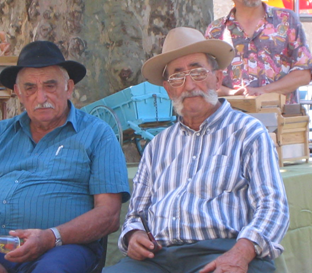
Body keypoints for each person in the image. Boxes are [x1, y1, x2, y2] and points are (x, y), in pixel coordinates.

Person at [103, 27, 289, 273]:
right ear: (169, 90)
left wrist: (241, 253)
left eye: (198, 72)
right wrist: (133, 235)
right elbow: (136, 213)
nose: (189, 85)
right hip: (158, 259)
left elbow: (273, 206)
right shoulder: (157, 146)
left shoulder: (248, 132)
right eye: (177, 77)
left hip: (222, 252)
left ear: (218, 78)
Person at [0, 40, 130, 273]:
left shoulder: (97, 134)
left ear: (69, 87)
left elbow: (109, 215)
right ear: (18, 93)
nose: (41, 96)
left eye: (50, 86)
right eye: (30, 88)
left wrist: (50, 237)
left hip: (60, 248)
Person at [205, 0, 312, 104]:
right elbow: (205, 79)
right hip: (233, 117)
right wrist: (231, 93)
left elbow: (304, 73)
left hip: (280, 117)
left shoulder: (287, 20)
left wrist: (264, 90)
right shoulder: (216, 30)